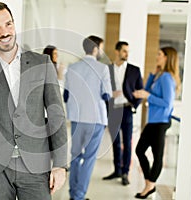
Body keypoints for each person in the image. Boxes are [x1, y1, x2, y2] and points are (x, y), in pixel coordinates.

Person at [0, 2, 67, 200]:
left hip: (36, 166)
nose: (5, 32)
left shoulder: (42, 63)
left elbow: (57, 115)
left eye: (8, 24)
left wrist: (60, 165)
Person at [64, 36, 112, 200]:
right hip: (96, 119)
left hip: (77, 118)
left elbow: (65, 95)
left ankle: (72, 194)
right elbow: (107, 95)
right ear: (96, 48)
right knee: (89, 158)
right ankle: (79, 195)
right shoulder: (102, 68)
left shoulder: (72, 68)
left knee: (76, 156)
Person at [133, 46, 181, 199]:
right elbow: (146, 91)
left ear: (167, 57)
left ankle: (150, 185)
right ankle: (150, 183)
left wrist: (148, 95)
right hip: (153, 121)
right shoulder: (159, 76)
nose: (157, 56)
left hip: (160, 122)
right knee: (140, 150)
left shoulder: (167, 77)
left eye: (160, 54)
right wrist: (151, 76)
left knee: (157, 156)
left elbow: (167, 102)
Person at [102, 41, 143, 185]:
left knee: (127, 142)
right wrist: (109, 94)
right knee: (115, 142)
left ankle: (125, 173)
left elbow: (141, 91)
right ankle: (117, 170)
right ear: (117, 51)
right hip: (113, 110)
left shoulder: (134, 70)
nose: (127, 54)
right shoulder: (106, 69)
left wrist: (134, 107)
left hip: (127, 110)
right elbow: (101, 90)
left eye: (128, 51)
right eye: (124, 51)